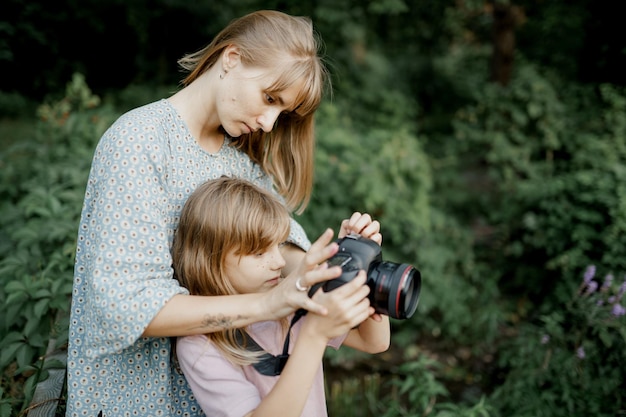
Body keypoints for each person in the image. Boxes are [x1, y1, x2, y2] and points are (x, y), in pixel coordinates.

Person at [65, 9, 370, 417]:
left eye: (283, 113)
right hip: (137, 401)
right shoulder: (139, 141)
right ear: (231, 58)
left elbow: (289, 256)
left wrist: (350, 259)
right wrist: (270, 304)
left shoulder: (241, 164)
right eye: (269, 98)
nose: (268, 122)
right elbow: (128, 305)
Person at [173, 177, 391, 417]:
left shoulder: (294, 299)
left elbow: (374, 342)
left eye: (279, 246)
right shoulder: (199, 345)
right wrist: (314, 335)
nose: (279, 262)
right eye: (259, 253)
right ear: (210, 260)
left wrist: (363, 265)